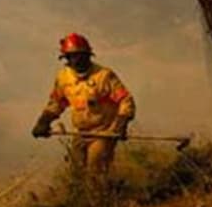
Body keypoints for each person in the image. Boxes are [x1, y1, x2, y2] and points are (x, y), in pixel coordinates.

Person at [32, 33, 135, 178]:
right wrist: (43, 121)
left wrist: (121, 124)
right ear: (66, 59)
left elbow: (125, 100)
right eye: (71, 57)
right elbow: (56, 102)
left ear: (88, 55)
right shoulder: (63, 78)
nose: (76, 61)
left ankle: (101, 199)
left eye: (80, 56)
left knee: (95, 170)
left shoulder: (104, 76)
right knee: (76, 173)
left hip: (104, 132)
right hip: (80, 132)